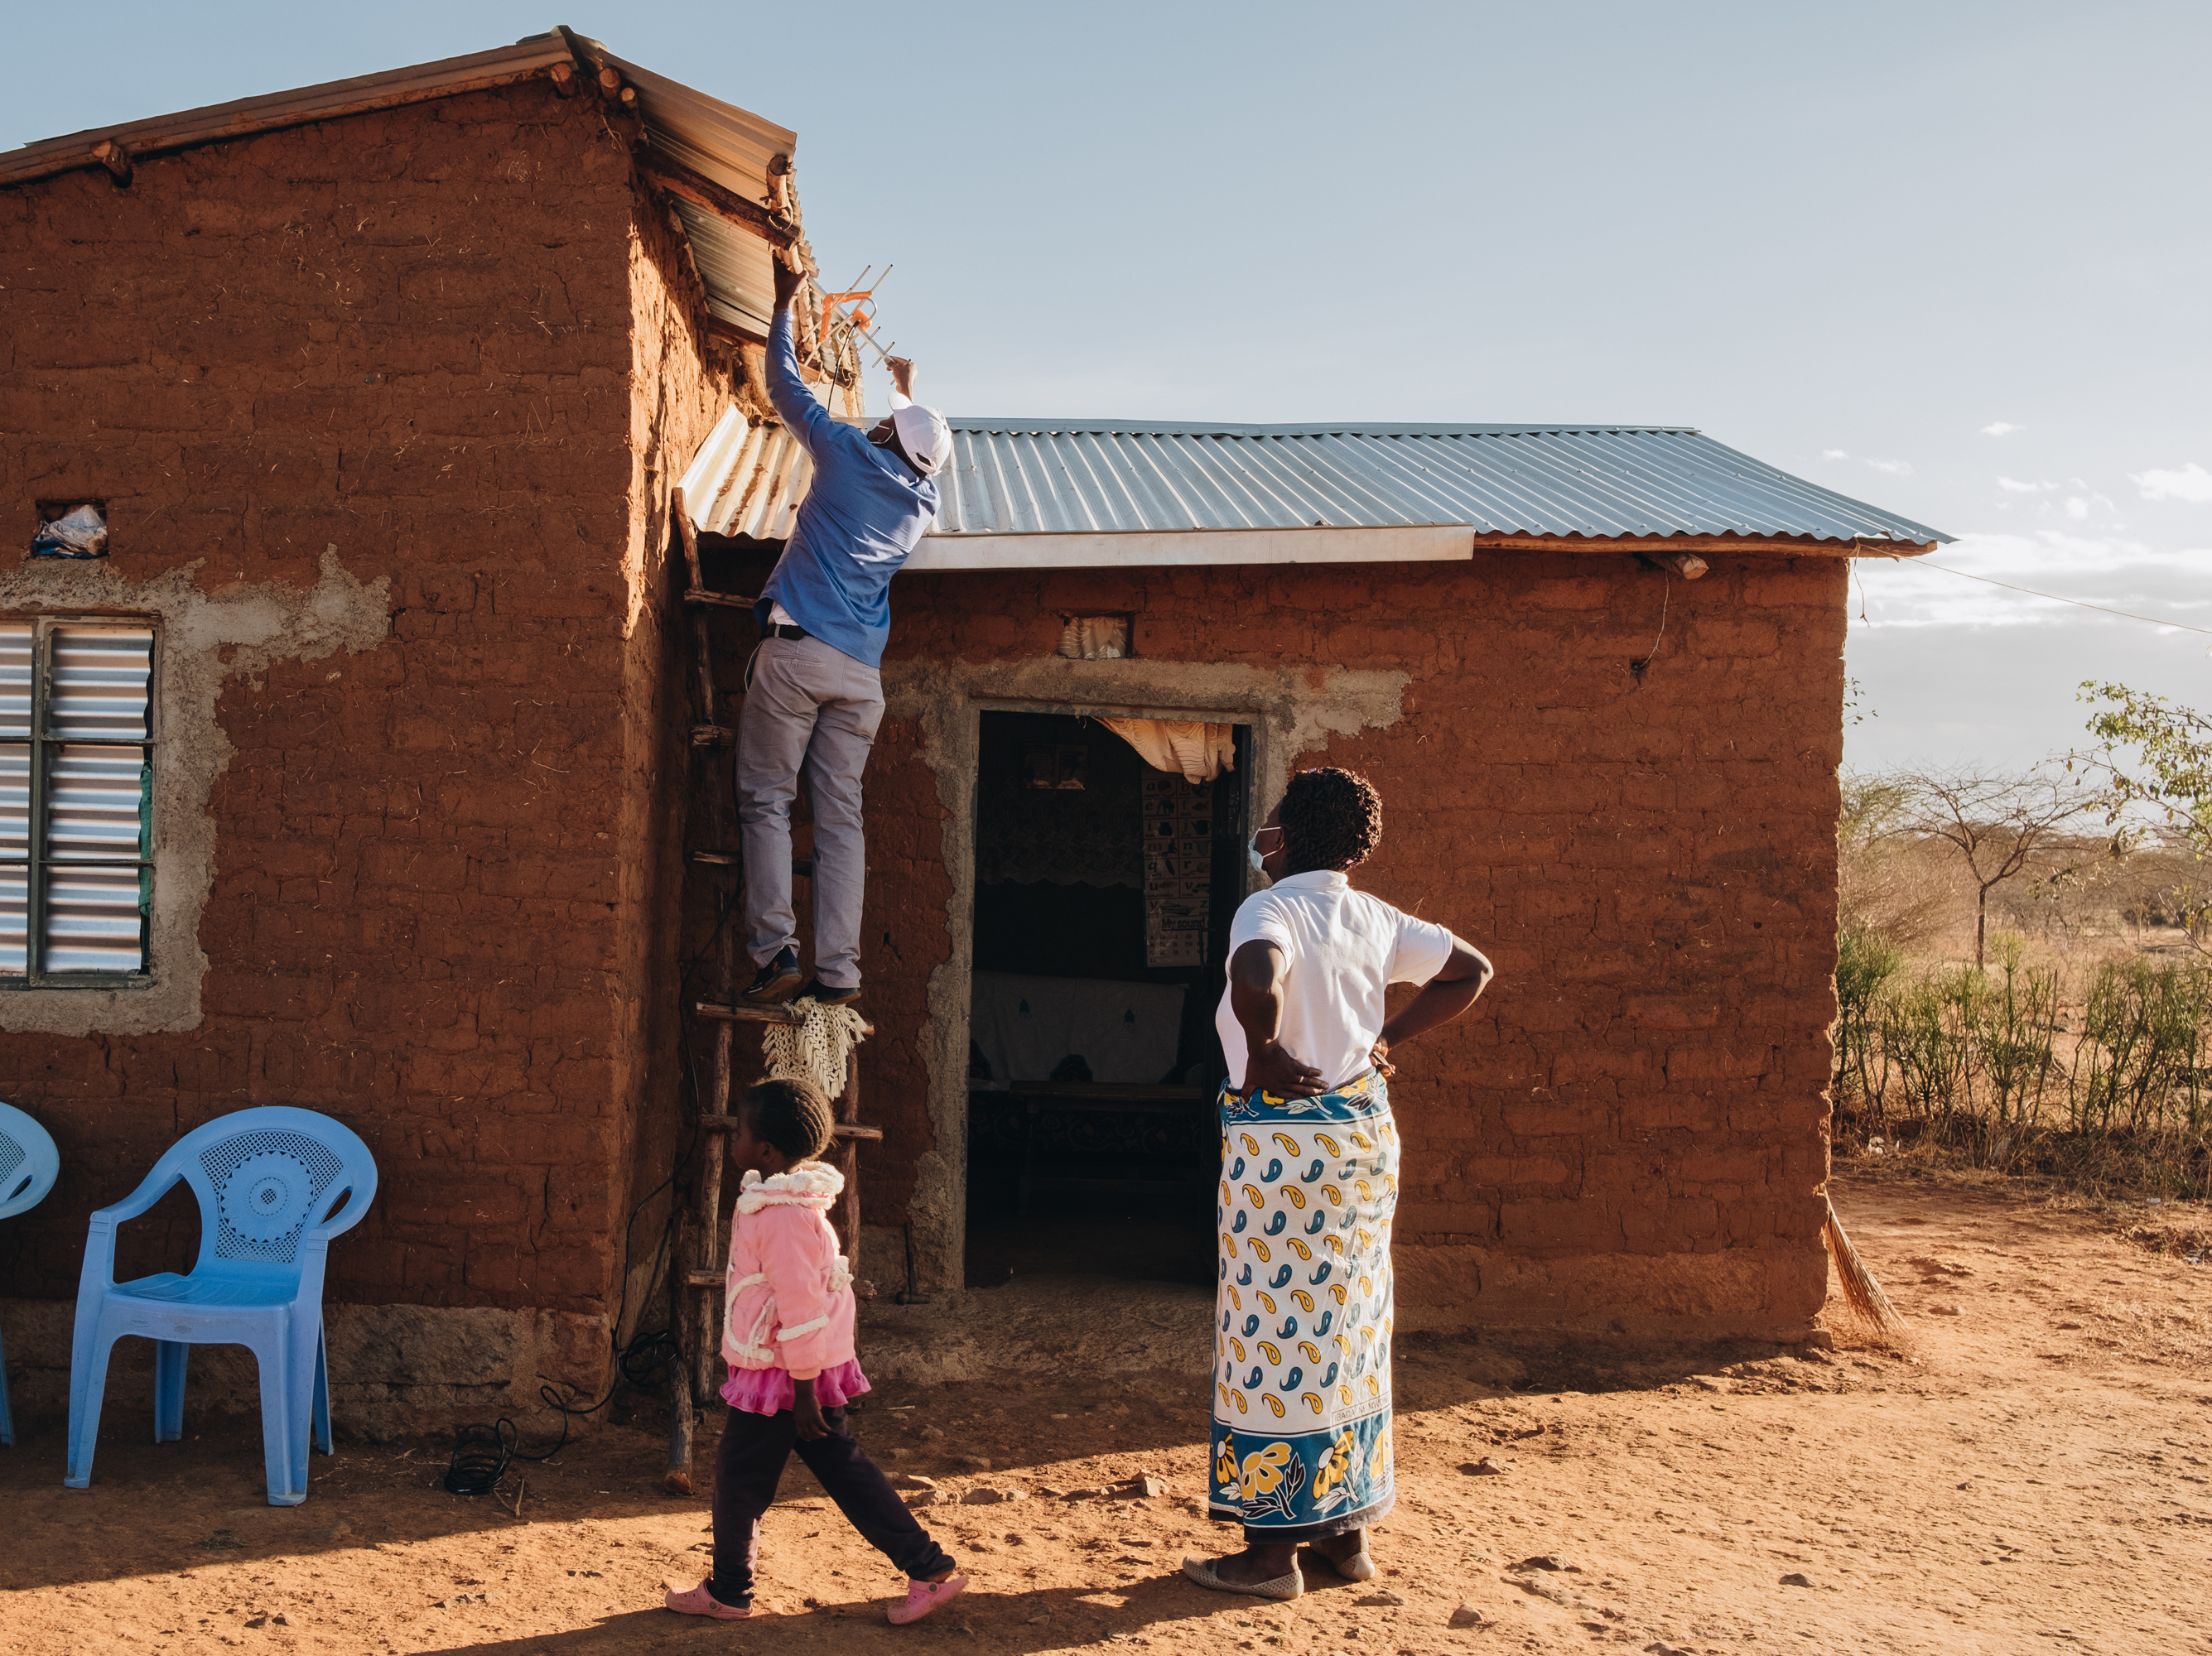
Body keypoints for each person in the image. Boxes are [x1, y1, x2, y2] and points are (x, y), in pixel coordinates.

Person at [1182, 768, 1493, 1602]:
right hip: (1362, 1138)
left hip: (1283, 1145)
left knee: (1271, 1334)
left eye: (1273, 818)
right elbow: (1470, 971)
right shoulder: (1377, 916)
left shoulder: (1271, 907)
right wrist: (1388, 1032)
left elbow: (1256, 975)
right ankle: (1343, 1537)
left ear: (1292, 837)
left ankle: (1268, 1552)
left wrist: (1267, 1049)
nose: (1263, 830)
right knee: (1347, 1327)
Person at [664, 1076, 967, 1626]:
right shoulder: (777, 1203)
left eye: (740, 1130)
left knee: (738, 1477)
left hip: (786, 1377)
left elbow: (800, 1307)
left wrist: (803, 1391)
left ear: (765, 1150)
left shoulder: (782, 1217)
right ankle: (927, 1566)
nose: (733, 1138)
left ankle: (730, 1591)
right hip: (792, 1372)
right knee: (842, 1472)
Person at [736, 253, 953, 1007]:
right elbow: (921, 457)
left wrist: (784, 303)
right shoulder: (921, 506)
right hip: (860, 679)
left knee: (766, 800)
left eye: (887, 425)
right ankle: (839, 973)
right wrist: (907, 393)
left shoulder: (848, 455)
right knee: (841, 824)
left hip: (796, 658)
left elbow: (784, 386)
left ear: (887, 439)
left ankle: (775, 955)